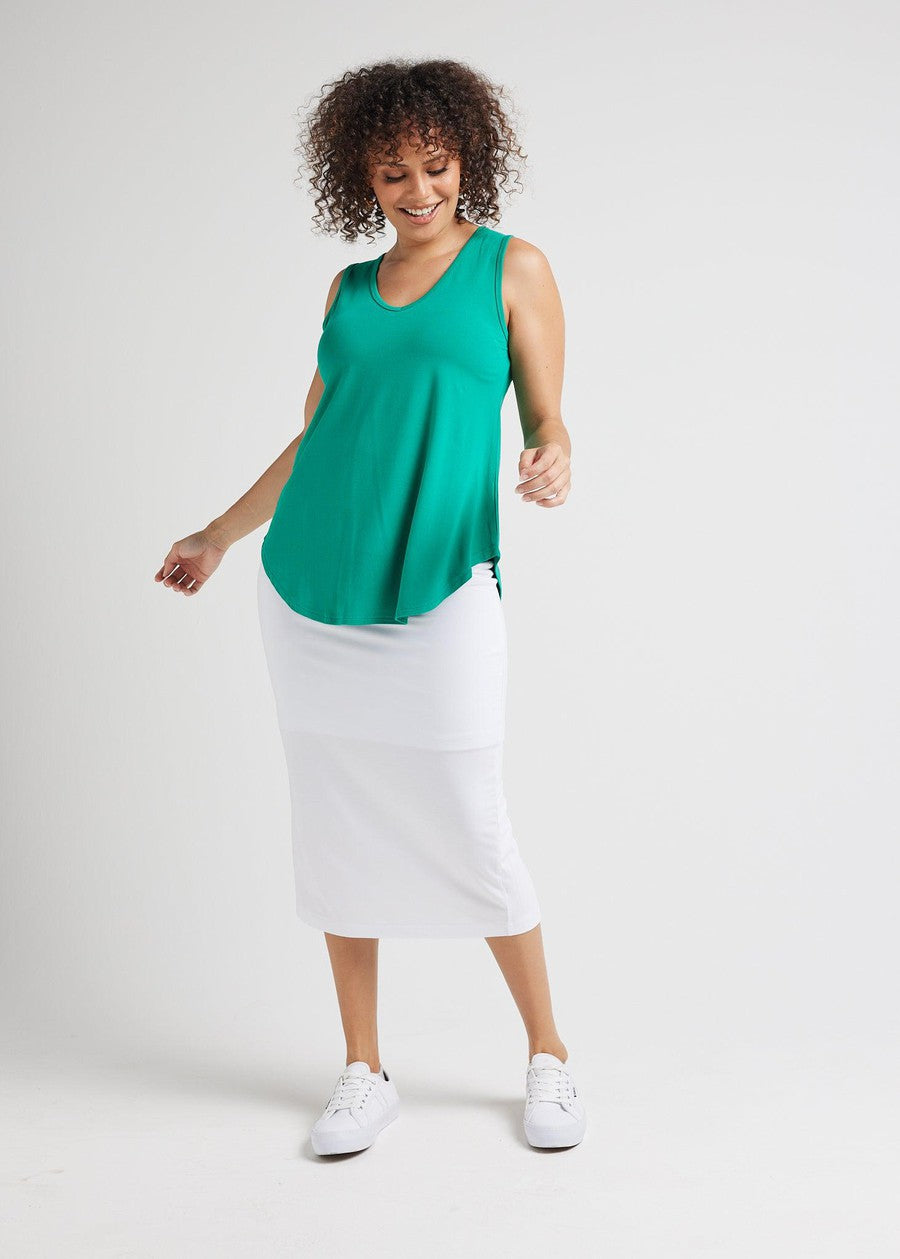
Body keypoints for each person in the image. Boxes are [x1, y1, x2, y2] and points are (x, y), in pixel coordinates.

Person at [154, 57, 585, 1156]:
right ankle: (363, 1066)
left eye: (434, 166)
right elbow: (319, 437)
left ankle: (548, 1053)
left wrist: (551, 454)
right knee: (336, 821)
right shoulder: (347, 292)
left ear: (467, 158)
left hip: (441, 575)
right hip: (310, 582)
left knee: (470, 814)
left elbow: (546, 415)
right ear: (362, 178)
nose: (417, 190)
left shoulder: (512, 267)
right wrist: (218, 533)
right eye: (393, 173)